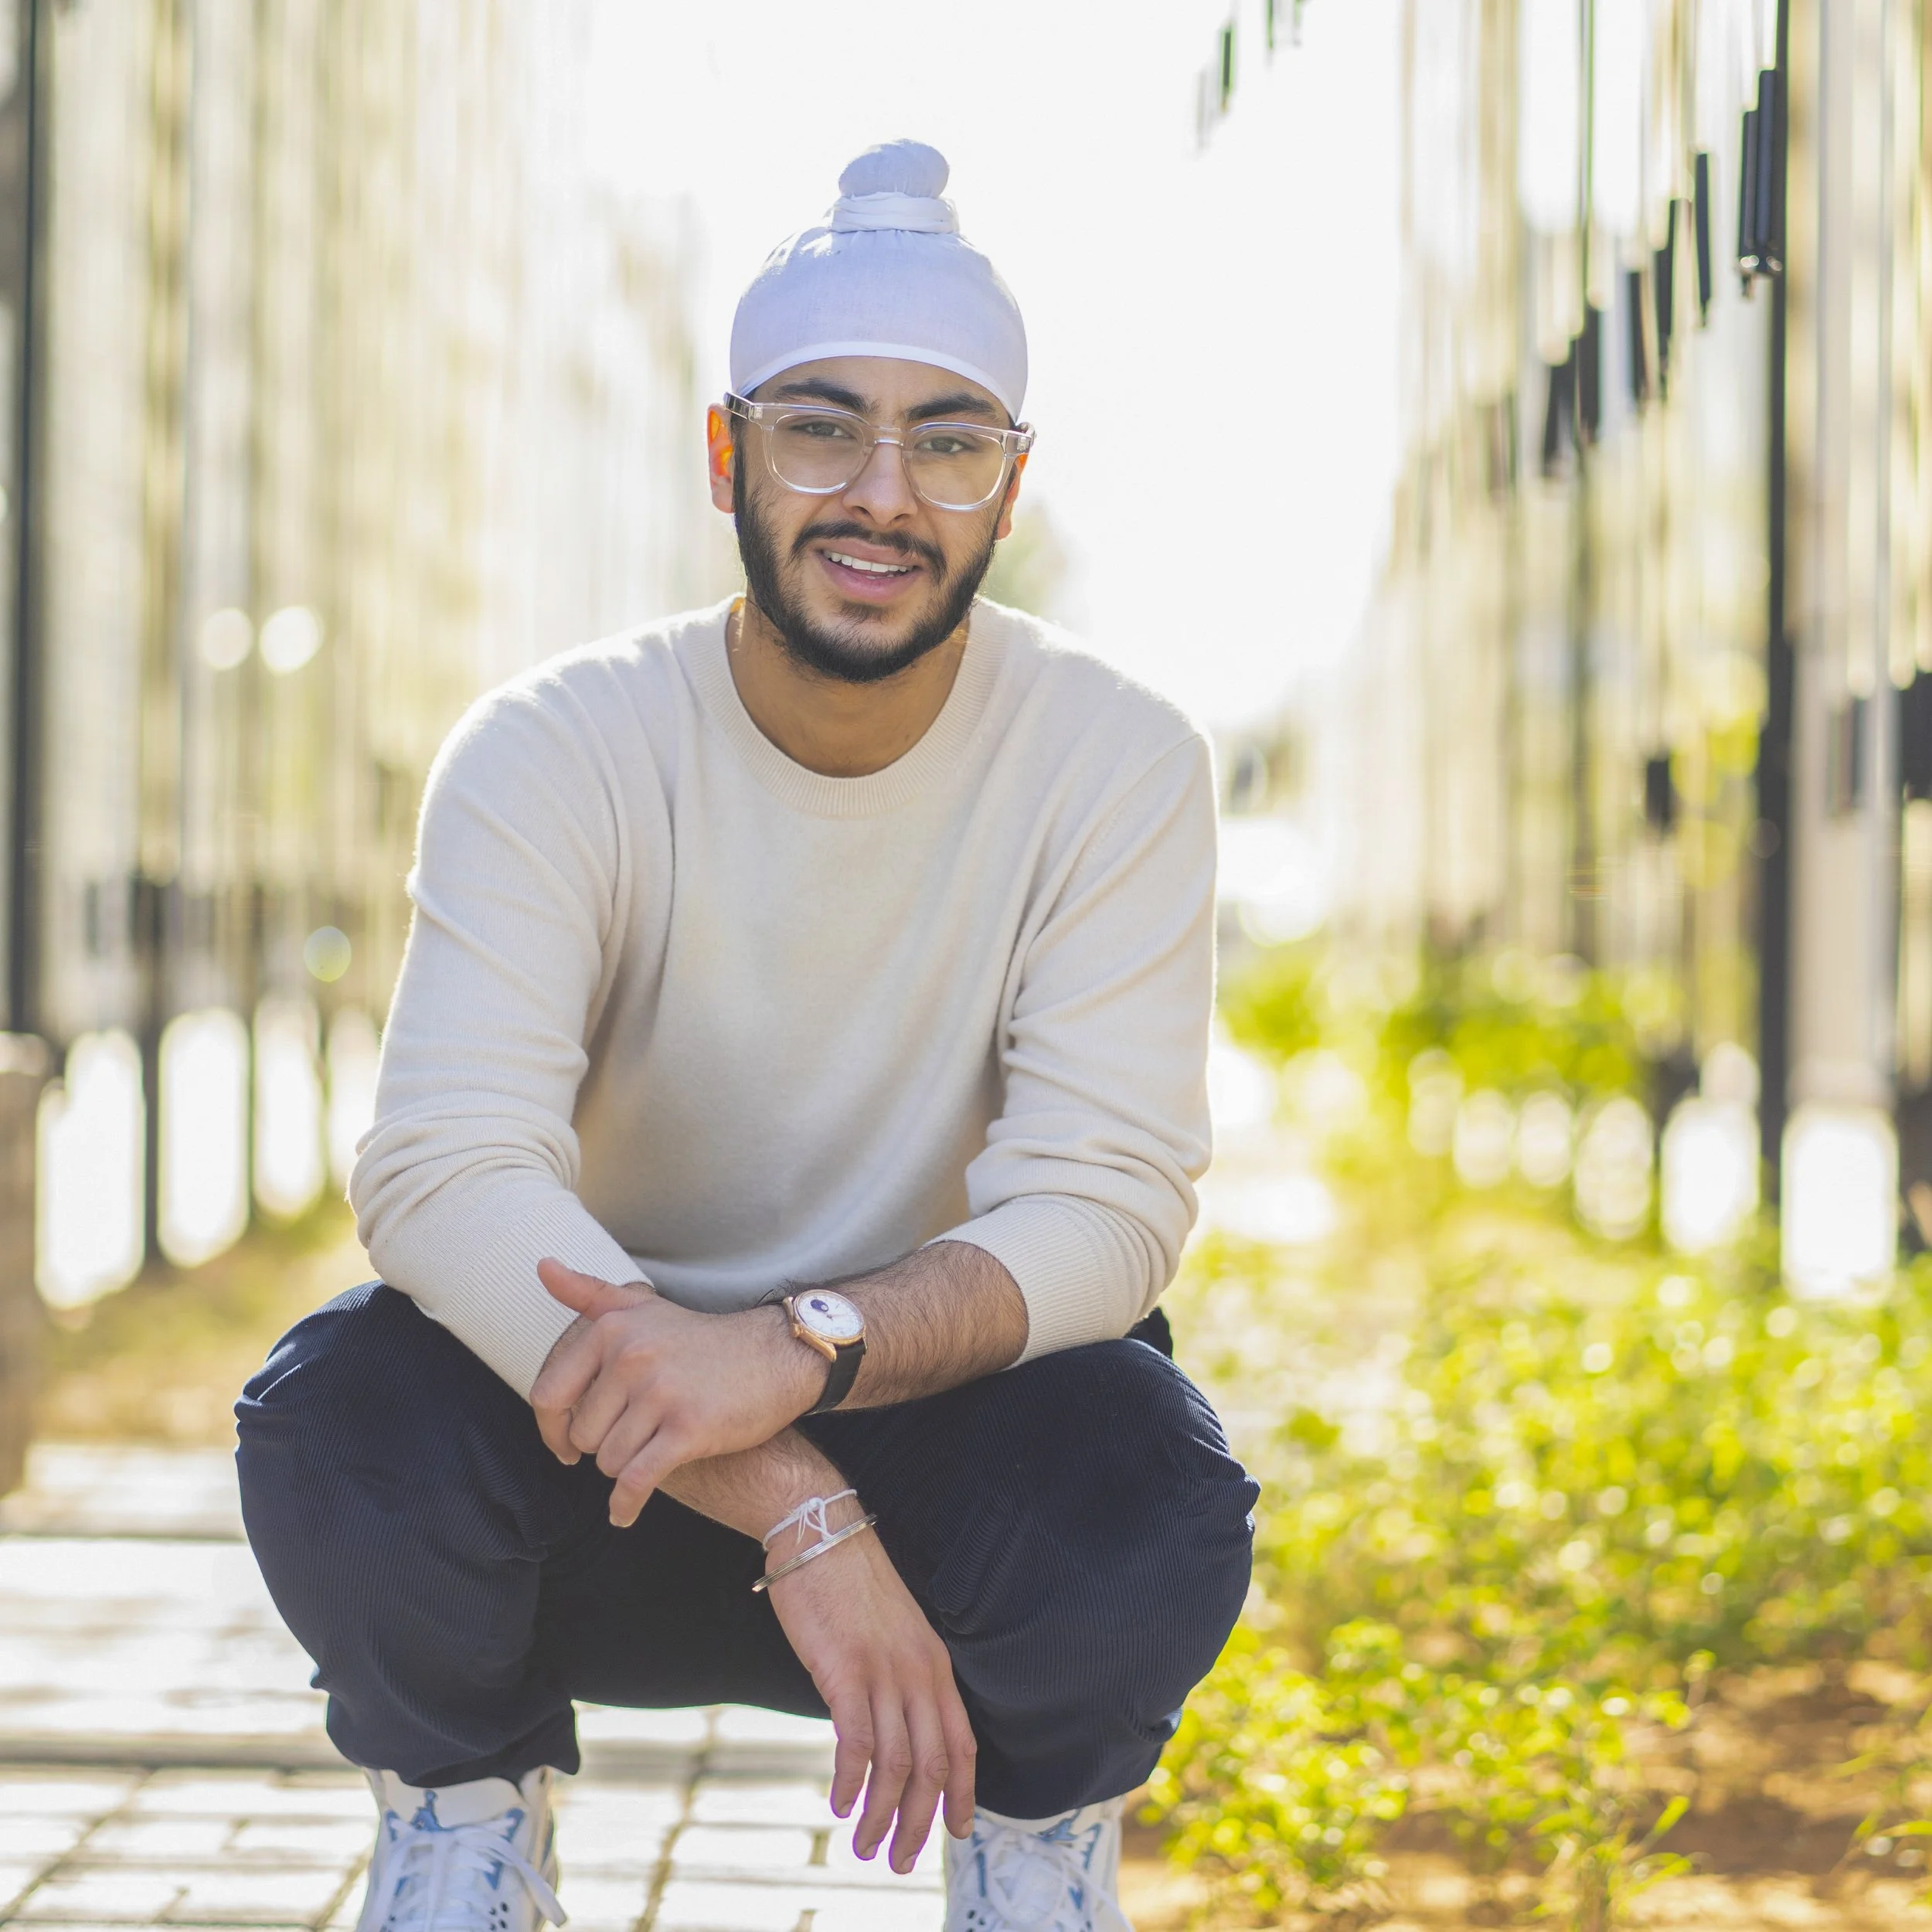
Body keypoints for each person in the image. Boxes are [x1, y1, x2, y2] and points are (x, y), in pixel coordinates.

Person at [236, 138, 1257, 1932]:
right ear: (727, 451)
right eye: (818, 425)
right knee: (342, 1420)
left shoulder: (1114, 759)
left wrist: (801, 1348)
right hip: (593, 1479)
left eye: (946, 437)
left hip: (948, 1459)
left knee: (1145, 1480)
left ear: (1007, 486)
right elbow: (442, 1167)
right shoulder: (555, 744)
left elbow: (1104, 1202)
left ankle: (1031, 1843)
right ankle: (463, 1820)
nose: (881, 491)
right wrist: (793, 1499)